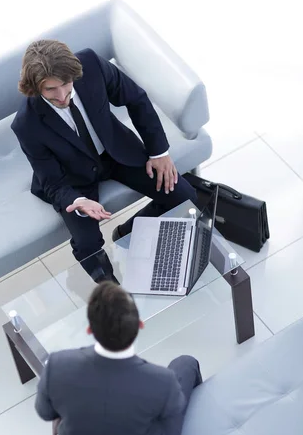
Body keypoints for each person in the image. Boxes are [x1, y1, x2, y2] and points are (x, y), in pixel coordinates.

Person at [11, 40, 197, 283]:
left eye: (67, 85)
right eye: (51, 90)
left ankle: (128, 233)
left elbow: (136, 99)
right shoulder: (26, 124)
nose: (62, 96)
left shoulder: (90, 64)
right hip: (72, 179)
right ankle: (115, 296)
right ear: (35, 88)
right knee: (88, 244)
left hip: (117, 153)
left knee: (184, 196)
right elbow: (53, 183)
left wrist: (158, 152)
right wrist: (78, 201)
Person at [35, 281, 202, 435]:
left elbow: (44, 412)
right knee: (185, 363)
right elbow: (175, 409)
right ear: (140, 326)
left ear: (89, 329)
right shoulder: (162, 381)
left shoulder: (57, 365)